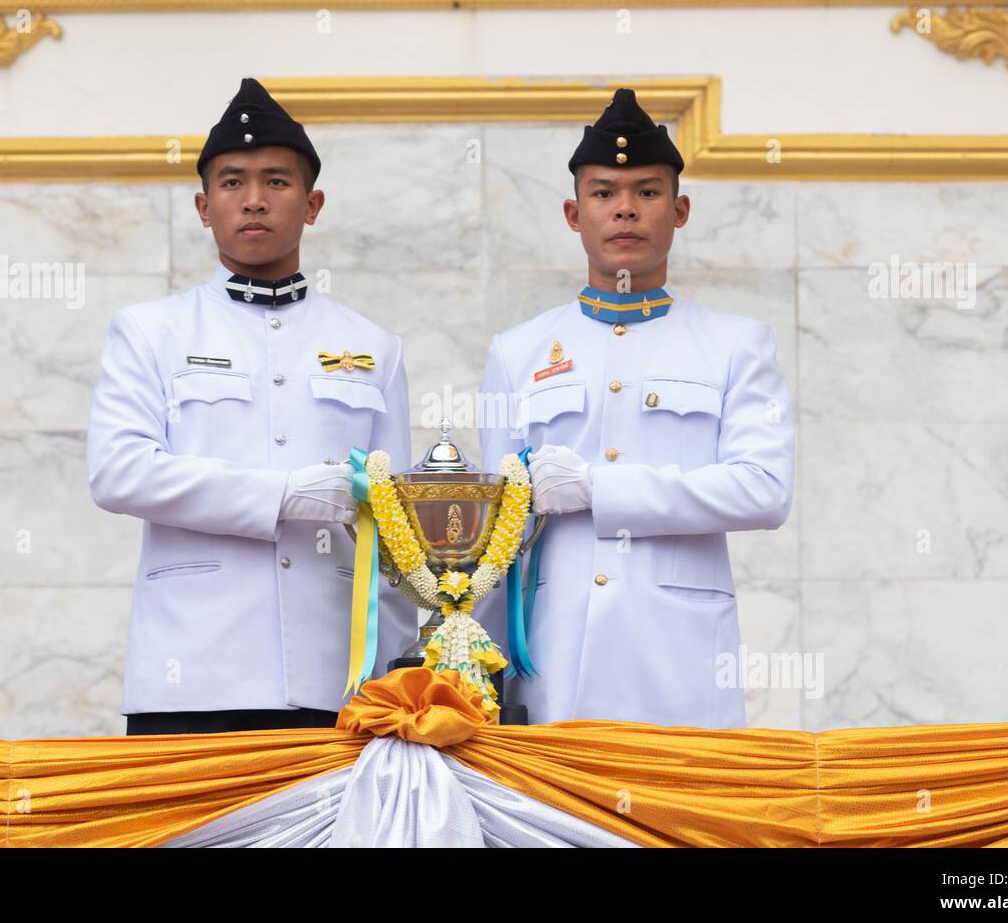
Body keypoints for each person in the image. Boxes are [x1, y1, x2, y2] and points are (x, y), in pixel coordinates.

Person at [86, 78, 414, 735]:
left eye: (277, 181)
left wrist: (395, 673)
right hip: (192, 673)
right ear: (204, 207)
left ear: (313, 204)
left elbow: (395, 528)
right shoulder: (151, 330)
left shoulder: (373, 346)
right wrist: (284, 493)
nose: (255, 200)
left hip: (337, 683)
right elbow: (119, 472)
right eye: (233, 182)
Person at [477, 87, 795, 728]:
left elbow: (763, 490)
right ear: (574, 213)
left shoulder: (735, 344)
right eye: (604, 194)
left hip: (675, 660)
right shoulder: (518, 351)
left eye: (647, 193)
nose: (625, 210)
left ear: (680, 210)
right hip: (552, 658)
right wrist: (475, 667)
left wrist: (600, 487)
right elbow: (495, 532)